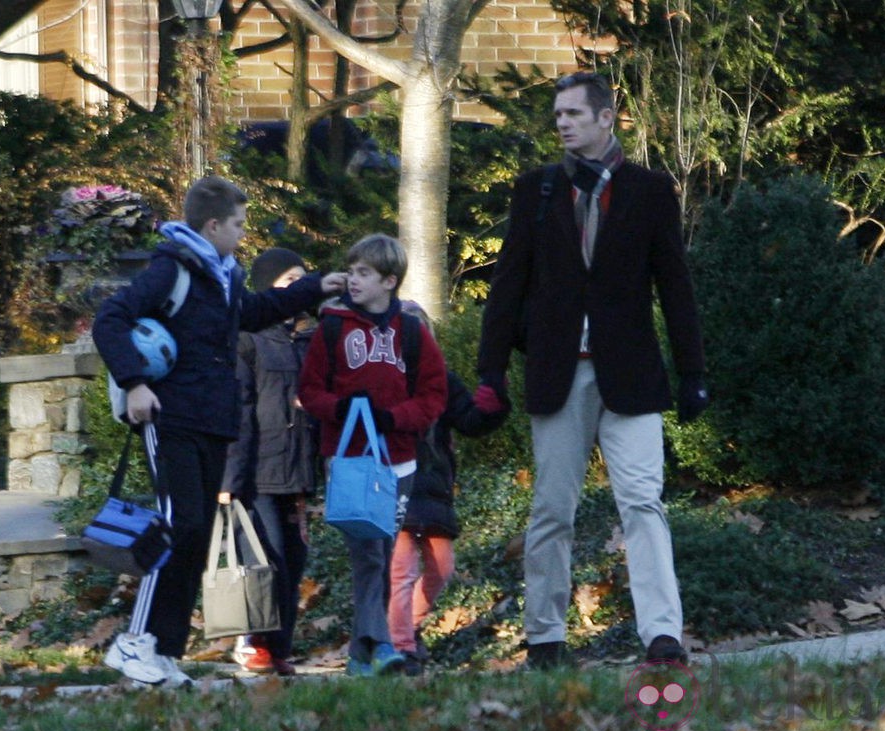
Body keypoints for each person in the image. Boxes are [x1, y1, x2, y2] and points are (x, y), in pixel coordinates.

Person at [475, 72, 709, 669]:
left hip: (630, 376)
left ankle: (663, 637)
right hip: (559, 374)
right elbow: (507, 286)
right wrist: (490, 373)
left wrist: (692, 373)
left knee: (644, 504)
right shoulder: (538, 190)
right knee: (553, 510)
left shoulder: (651, 190)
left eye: (574, 113)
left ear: (607, 118)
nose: (562, 123)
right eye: (558, 114)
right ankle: (545, 639)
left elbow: (675, 286)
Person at [94, 176, 346, 686]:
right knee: (176, 524)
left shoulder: (223, 276)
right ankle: (133, 642)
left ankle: (163, 652)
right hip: (171, 417)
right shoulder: (174, 269)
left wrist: (314, 286)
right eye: (237, 225)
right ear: (212, 225)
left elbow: (251, 313)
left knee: (195, 534)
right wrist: (135, 383)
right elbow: (110, 320)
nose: (242, 234)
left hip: (212, 422)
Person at [298, 234, 447, 677]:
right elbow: (309, 391)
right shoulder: (332, 327)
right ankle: (379, 645)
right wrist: (339, 410)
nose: (352, 280)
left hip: (398, 460)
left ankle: (364, 652)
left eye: (363, 273)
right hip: (348, 460)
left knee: (383, 553)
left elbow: (433, 396)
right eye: (351, 270)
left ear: (389, 280)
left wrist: (395, 417)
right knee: (369, 554)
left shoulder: (413, 332)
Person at [386, 301, 510, 676]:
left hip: (435, 487)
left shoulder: (441, 380)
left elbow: (470, 421)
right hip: (395, 484)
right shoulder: (382, 381)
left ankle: (410, 626)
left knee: (442, 568)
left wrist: (494, 404)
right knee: (401, 571)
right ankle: (401, 646)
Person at [218, 248, 316, 677]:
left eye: (302, 278)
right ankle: (252, 641)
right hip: (259, 472)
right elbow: (238, 410)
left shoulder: (311, 339)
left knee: (293, 562)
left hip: (299, 471)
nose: (297, 287)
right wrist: (230, 479)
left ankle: (279, 648)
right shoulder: (248, 339)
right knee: (265, 558)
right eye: (287, 280)